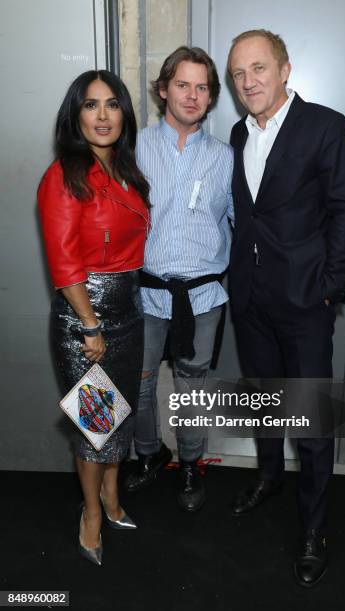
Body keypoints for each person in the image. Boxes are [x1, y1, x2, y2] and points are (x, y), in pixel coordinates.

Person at [227, 30, 345, 587]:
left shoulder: (325, 126)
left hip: (306, 302)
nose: (247, 82)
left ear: (285, 69)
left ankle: (314, 527)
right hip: (251, 300)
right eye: (238, 74)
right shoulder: (239, 133)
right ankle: (267, 477)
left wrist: (329, 287)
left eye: (258, 68)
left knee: (310, 423)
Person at [38, 70, 150, 566]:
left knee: (116, 418)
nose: (102, 116)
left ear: (125, 113)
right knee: (95, 425)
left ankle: (110, 497)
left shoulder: (128, 170)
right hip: (87, 320)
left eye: (112, 105)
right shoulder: (65, 175)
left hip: (129, 310)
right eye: (90, 105)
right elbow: (64, 264)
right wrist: (89, 324)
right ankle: (91, 514)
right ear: (75, 115)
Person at [124, 47, 234, 512]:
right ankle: (151, 454)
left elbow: (243, 223)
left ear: (211, 98)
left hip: (202, 296)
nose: (192, 95)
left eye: (202, 87)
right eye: (183, 85)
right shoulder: (134, 149)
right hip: (146, 293)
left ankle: (190, 463)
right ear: (164, 89)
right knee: (140, 385)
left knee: (193, 389)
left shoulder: (228, 158)